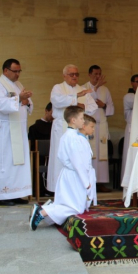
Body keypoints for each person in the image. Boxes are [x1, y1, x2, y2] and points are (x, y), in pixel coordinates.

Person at [29, 107, 97, 231]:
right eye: (81, 118)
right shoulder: (73, 138)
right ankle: (42, 212)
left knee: (72, 203)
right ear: (73, 120)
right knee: (75, 207)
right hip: (74, 175)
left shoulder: (69, 135)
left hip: (69, 173)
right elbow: (78, 163)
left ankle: (48, 209)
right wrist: (86, 181)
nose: (83, 121)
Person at [47, 64, 97, 193]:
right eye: (71, 74)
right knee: (62, 157)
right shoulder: (58, 88)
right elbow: (56, 101)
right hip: (61, 128)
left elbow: (93, 107)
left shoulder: (83, 89)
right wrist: (76, 99)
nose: (74, 76)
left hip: (79, 128)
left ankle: (78, 188)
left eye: (76, 74)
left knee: (78, 157)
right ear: (64, 76)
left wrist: (82, 107)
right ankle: (59, 189)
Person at [0, 59, 33, 206]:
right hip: (3, 130)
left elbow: (25, 103)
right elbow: (1, 104)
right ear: (5, 71)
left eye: (19, 71)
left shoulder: (18, 85)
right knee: (5, 162)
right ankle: (2, 195)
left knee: (18, 162)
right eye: (15, 71)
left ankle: (16, 193)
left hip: (18, 128)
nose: (17, 74)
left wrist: (27, 101)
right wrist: (19, 99)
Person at [83, 65, 115, 193]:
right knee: (89, 154)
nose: (98, 76)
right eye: (95, 74)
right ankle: (89, 182)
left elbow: (111, 107)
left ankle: (100, 182)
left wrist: (104, 105)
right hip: (88, 125)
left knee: (102, 155)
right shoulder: (83, 88)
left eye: (99, 74)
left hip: (101, 125)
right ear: (89, 74)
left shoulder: (105, 90)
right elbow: (85, 103)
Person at [121, 74, 138, 182]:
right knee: (130, 155)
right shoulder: (129, 96)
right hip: (131, 128)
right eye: (137, 81)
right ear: (132, 83)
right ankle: (129, 181)